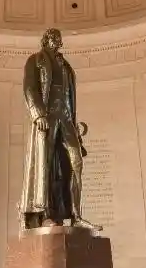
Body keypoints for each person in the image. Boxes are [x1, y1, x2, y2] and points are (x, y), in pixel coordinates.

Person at [20, 28, 99, 230]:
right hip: (47, 116)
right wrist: (38, 114)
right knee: (44, 163)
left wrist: (75, 124)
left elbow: (70, 98)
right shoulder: (36, 60)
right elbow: (29, 87)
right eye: (52, 37)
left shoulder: (67, 68)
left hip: (65, 118)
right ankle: (44, 212)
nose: (56, 41)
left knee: (76, 162)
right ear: (45, 40)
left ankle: (76, 215)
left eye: (59, 38)